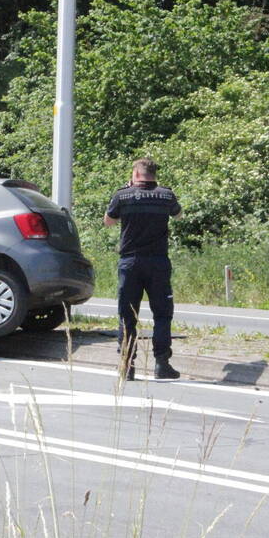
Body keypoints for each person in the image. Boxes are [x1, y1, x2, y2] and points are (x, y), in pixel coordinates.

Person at [104, 158, 182, 381]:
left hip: (130, 262)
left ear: (136, 174)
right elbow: (178, 215)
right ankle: (162, 364)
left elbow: (108, 221)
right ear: (154, 175)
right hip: (158, 263)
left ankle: (127, 366)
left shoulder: (122, 195)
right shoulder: (166, 195)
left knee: (127, 315)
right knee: (163, 314)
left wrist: (128, 192)